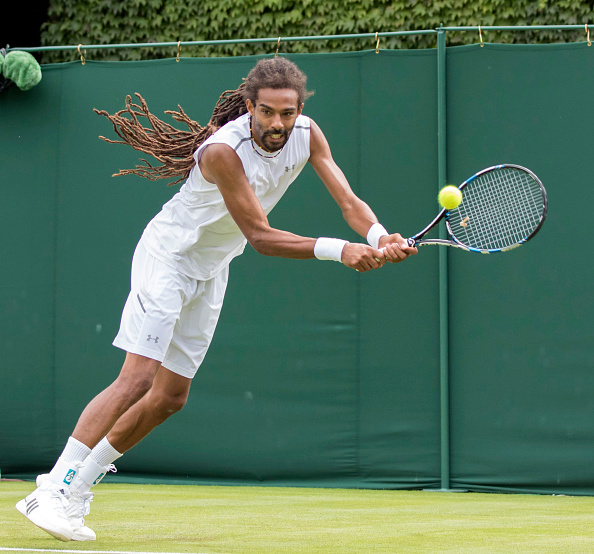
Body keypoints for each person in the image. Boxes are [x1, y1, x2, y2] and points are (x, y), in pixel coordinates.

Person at [16, 57, 417, 542]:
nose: (277, 123)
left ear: (299, 109)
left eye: (287, 113)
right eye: (267, 112)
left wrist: (377, 236)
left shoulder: (309, 134)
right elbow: (261, 237)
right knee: (139, 377)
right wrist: (341, 250)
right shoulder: (223, 151)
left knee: (169, 398)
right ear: (249, 107)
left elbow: (348, 201)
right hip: (169, 260)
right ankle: (52, 486)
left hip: (210, 269)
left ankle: (79, 488)